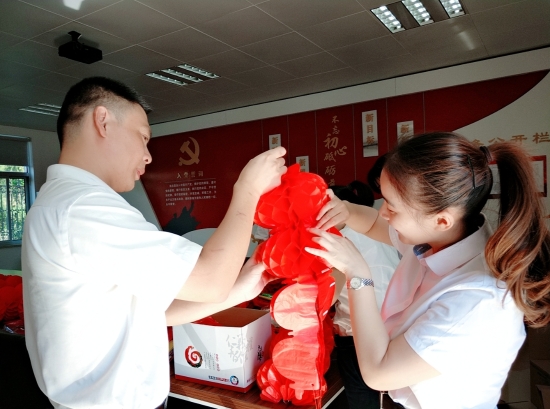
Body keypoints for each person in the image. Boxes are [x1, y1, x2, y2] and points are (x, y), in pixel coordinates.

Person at [21, 77, 287, 409]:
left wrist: (239, 290)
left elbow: (154, 311)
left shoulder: (67, 203)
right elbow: (210, 279)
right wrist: (248, 189)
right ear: (103, 121)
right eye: (143, 138)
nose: (148, 156)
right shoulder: (82, 208)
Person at [307, 132, 550, 409]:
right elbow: (375, 224)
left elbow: (379, 373)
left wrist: (358, 274)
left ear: (442, 220)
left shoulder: (478, 298)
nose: (383, 212)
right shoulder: (439, 238)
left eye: (392, 207)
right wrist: (346, 210)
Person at [330, 181, 400, 409]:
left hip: (358, 336)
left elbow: (326, 298)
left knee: (363, 402)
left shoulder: (339, 240)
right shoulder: (385, 232)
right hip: (395, 328)